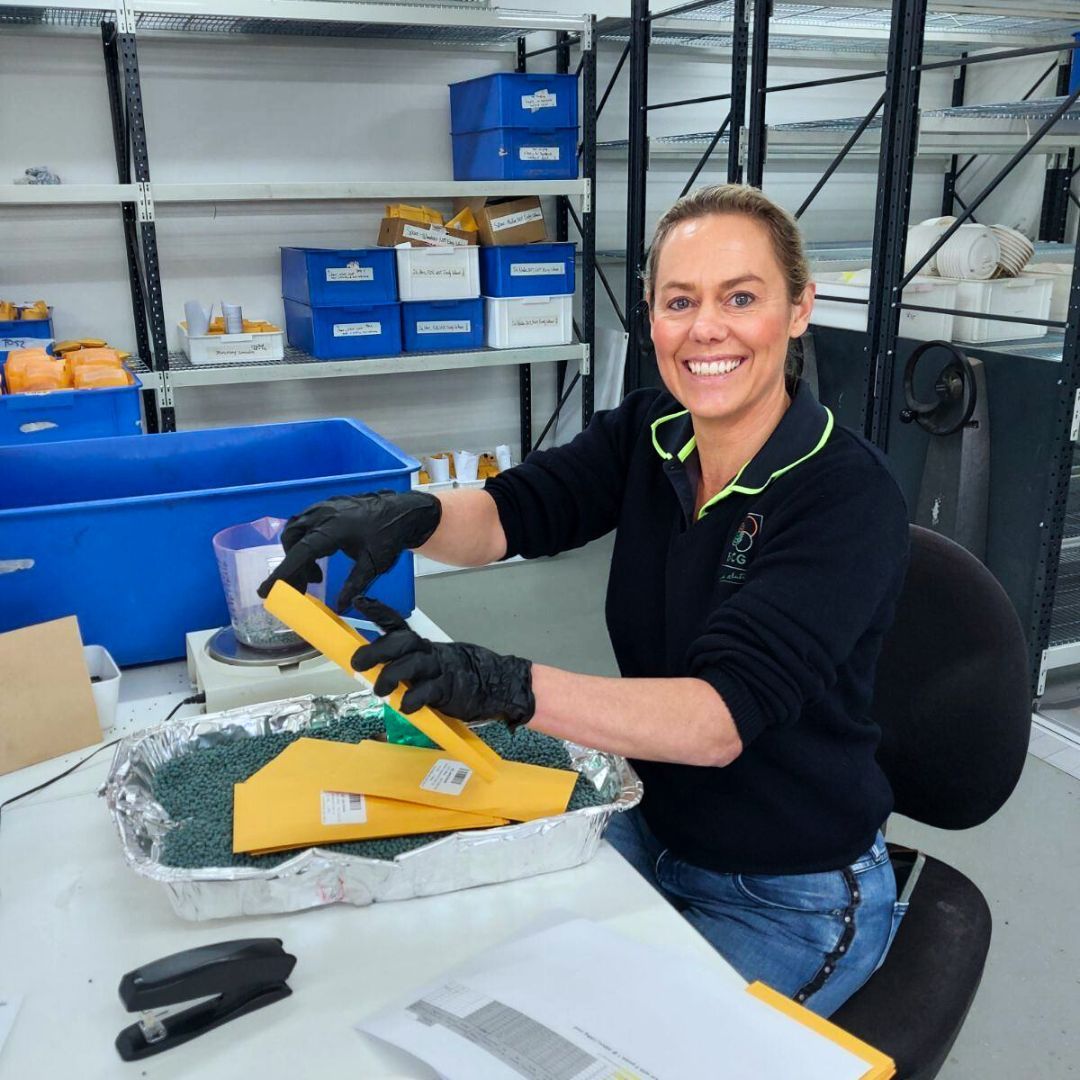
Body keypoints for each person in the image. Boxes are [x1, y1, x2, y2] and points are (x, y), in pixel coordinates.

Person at [259, 184, 910, 1018]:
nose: (706, 328)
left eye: (740, 298)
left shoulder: (844, 495)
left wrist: (502, 685)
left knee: (614, 1045)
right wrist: (409, 513)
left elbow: (716, 722)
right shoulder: (650, 432)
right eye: (680, 302)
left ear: (798, 310)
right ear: (651, 317)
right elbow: (509, 514)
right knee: (469, 986)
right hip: (650, 822)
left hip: (788, 891)